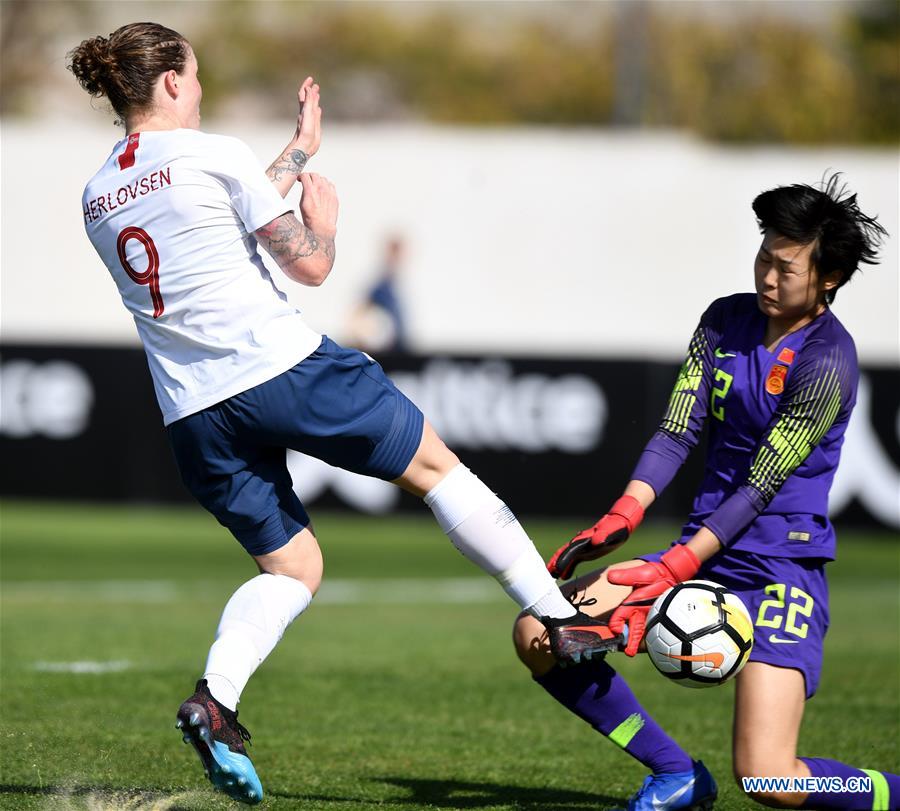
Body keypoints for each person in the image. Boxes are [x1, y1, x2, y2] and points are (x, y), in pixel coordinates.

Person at [67, 22, 615, 805]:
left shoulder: (97, 193)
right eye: (197, 74)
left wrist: (297, 153)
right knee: (437, 469)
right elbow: (311, 265)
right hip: (283, 369)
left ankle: (215, 699)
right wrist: (323, 222)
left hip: (192, 412)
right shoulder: (212, 154)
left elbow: (208, 211)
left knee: (293, 568)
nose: (202, 88)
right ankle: (558, 616)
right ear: (173, 83)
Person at [513, 175, 899, 811]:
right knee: (538, 633)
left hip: (779, 570)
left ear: (829, 278)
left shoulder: (829, 359)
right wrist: (624, 513)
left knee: (771, 780)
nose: (767, 277)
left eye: (786, 268)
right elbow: (677, 429)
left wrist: (673, 566)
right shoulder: (724, 318)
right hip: (701, 553)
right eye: (763, 258)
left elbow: (760, 484)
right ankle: (677, 773)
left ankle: (892, 794)